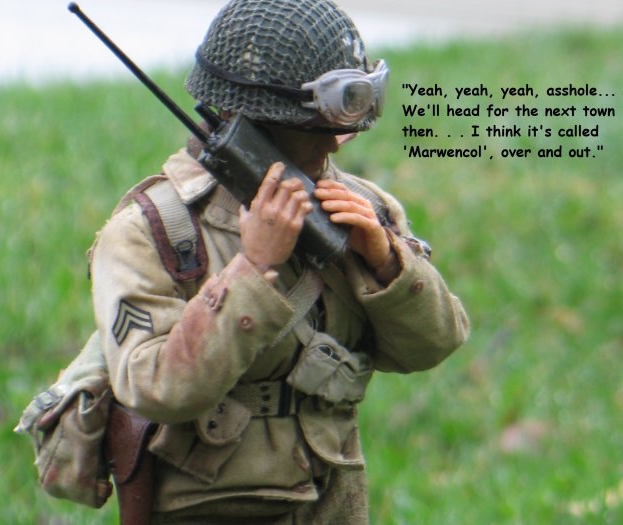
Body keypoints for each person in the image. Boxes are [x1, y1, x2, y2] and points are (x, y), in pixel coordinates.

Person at [89, 0, 470, 523]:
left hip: (333, 499)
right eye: (313, 127)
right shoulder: (155, 230)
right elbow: (153, 387)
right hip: (211, 505)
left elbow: (433, 345)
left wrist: (387, 265)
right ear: (248, 121)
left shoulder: (359, 208)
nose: (336, 144)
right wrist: (252, 270)